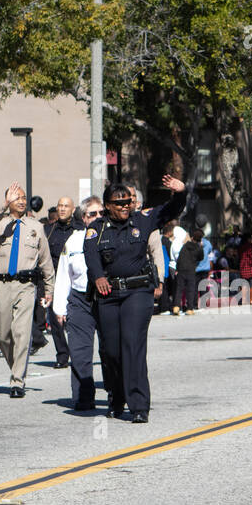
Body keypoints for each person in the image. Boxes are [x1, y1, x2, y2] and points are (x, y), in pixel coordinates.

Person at [84, 175, 187, 422]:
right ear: (107, 205)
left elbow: (171, 210)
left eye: (128, 202)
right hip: (108, 294)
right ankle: (116, 397)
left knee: (133, 345)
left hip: (137, 292)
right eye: (119, 204)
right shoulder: (96, 229)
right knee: (111, 350)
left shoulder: (143, 219)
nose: (125, 207)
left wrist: (180, 193)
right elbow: (90, 254)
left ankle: (139, 405)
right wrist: (98, 276)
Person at [0, 182, 55, 398]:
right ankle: (15, 366)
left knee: (21, 333)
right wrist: (3, 205)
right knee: (4, 334)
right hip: (3, 285)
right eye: (17, 198)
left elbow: (45, 261)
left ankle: (17, 380)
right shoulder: (0, 225)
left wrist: (49, 289)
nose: (22, 201)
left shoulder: (36, 227)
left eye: (24, 198)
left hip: (26, 285)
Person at [53, 196, 105, 409]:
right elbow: (64, 274)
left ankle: (116, 393)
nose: (97, 217)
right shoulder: (74, 241)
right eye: (92, 214)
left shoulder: (110, 236)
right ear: (83, 218)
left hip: (106, 298)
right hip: (80, 299)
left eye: (101, 213)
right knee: (80, 351)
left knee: (110, 351)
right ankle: (84, 396)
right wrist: (59, 307)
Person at [44, 196, 77, 366]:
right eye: (60, 206)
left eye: (66, 206)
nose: (62, 209)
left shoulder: (80, 229)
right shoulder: (48, 230)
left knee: (73, 319)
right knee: (54, 319)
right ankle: (62, 355)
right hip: (54, 279)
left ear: (73, 209)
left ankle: (78, 351)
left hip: (74, 279)